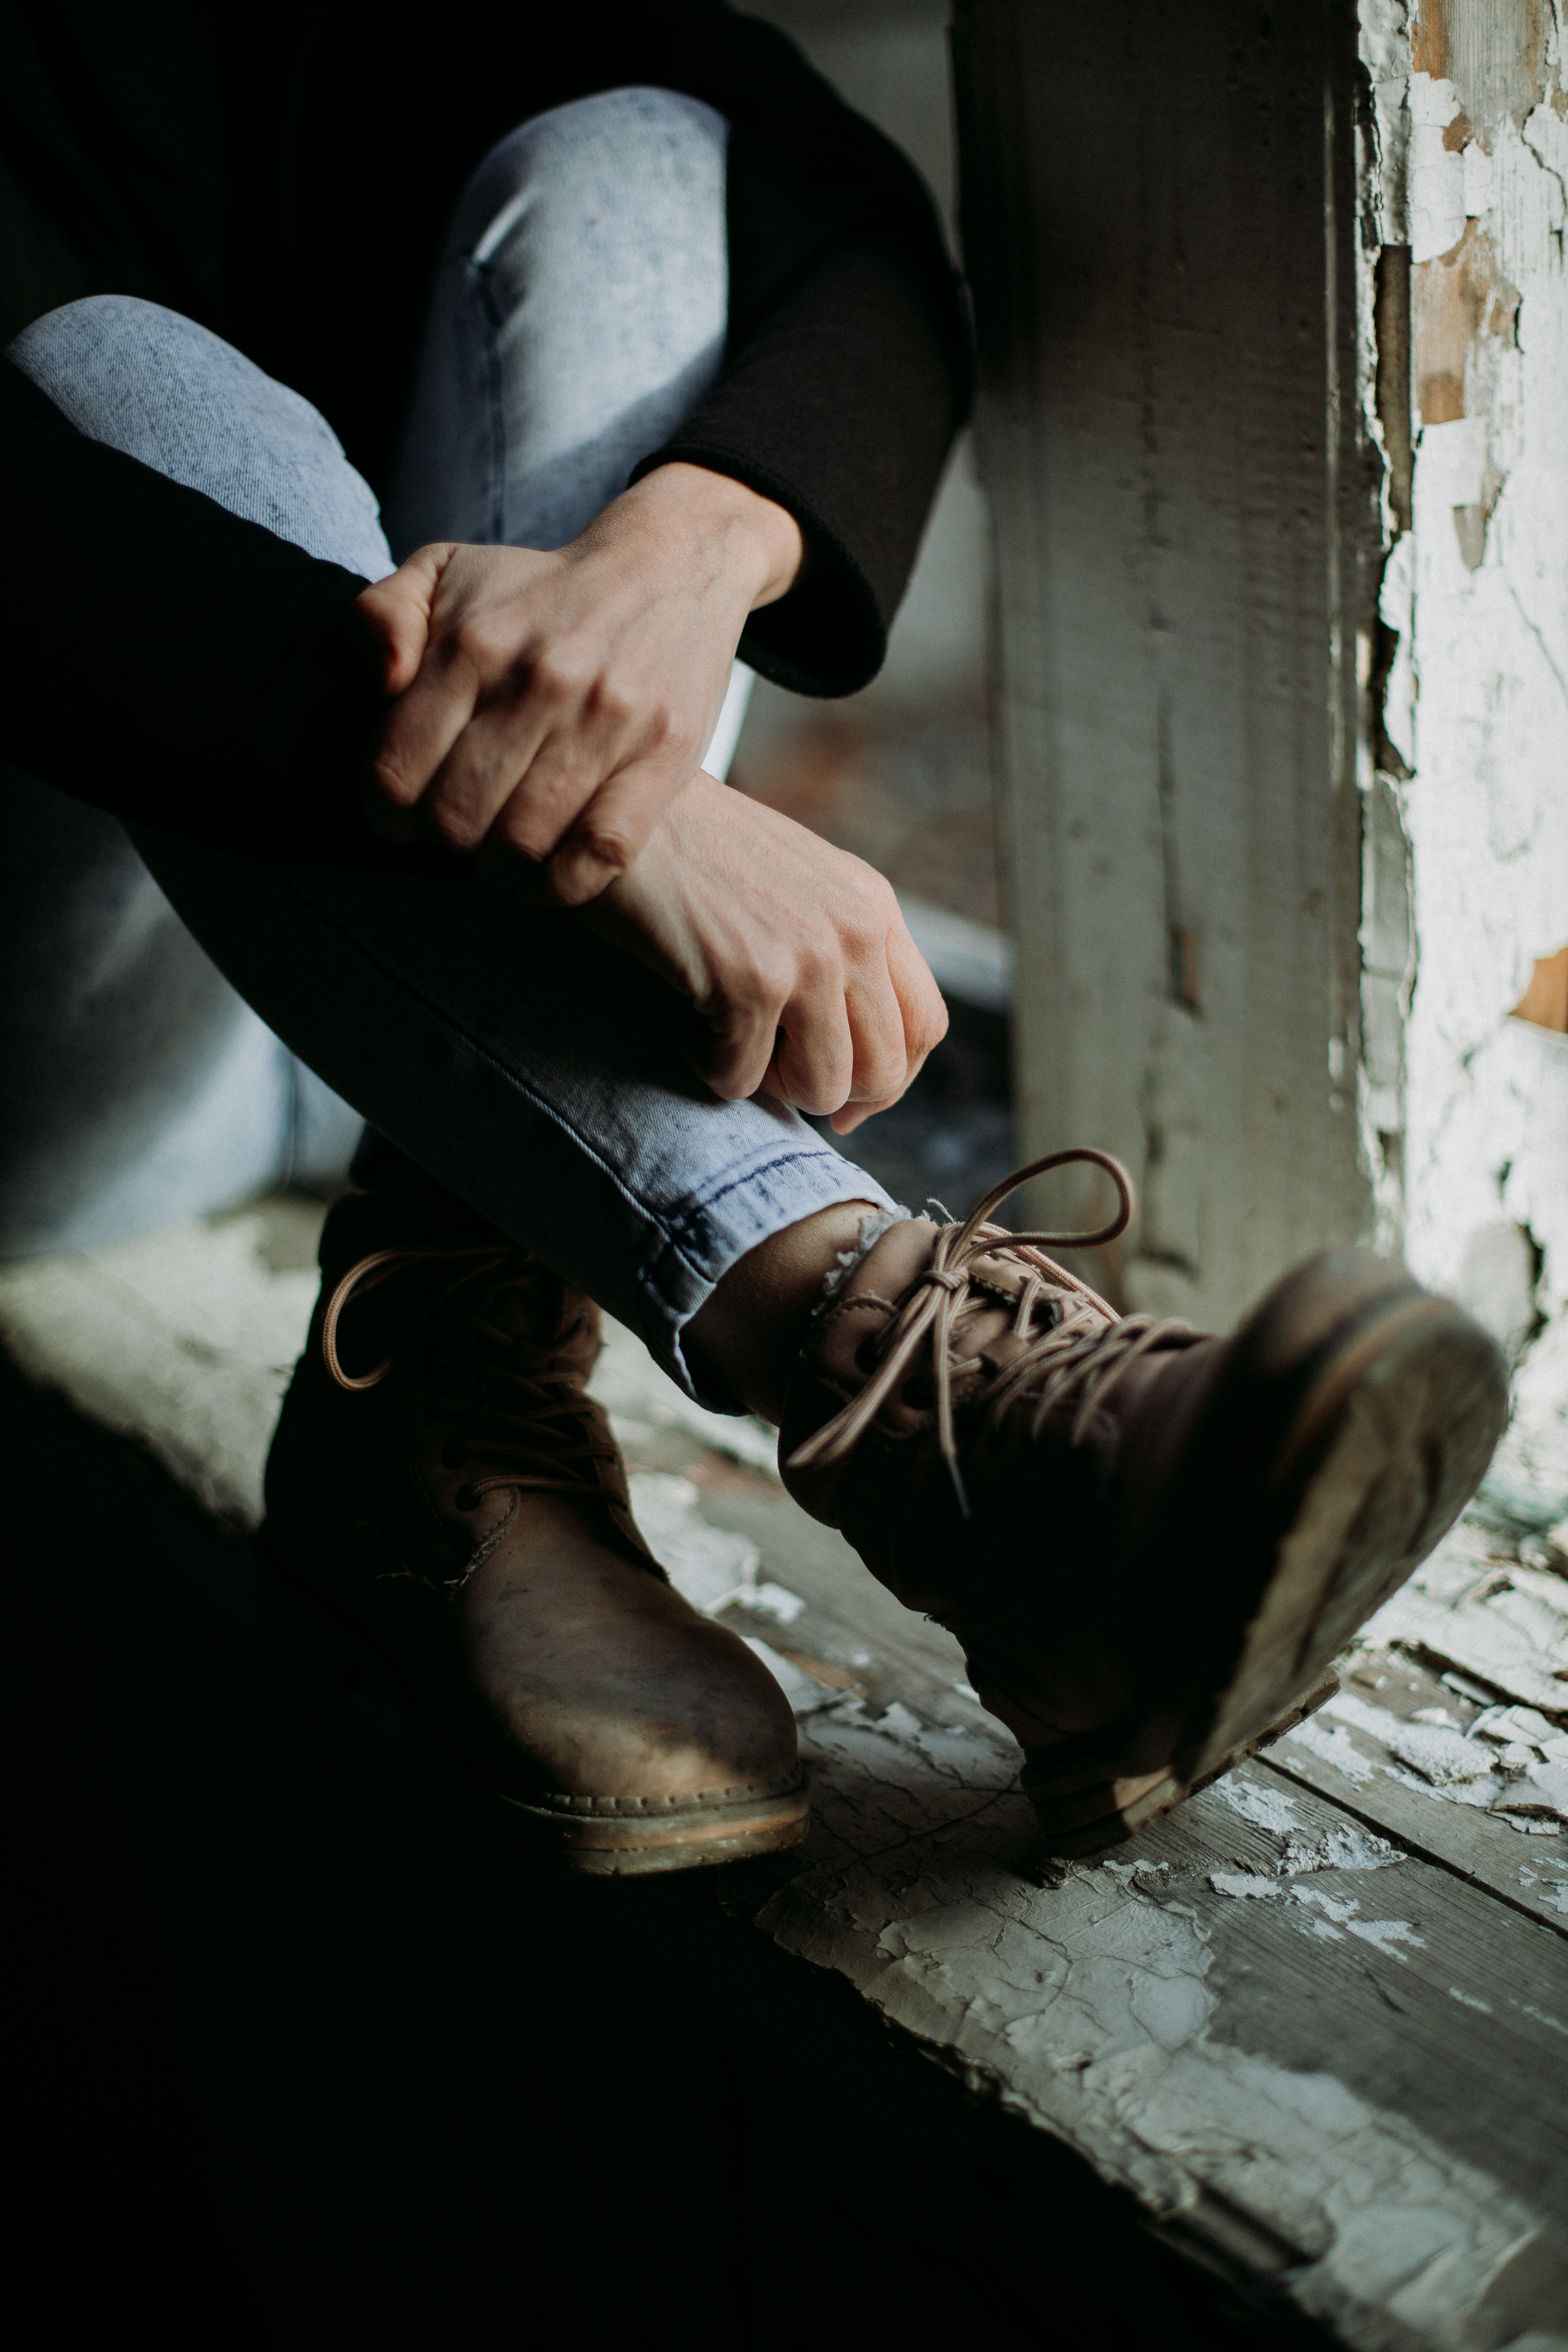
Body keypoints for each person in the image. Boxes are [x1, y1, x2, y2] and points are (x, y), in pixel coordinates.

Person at [1, 2, 1507, 1875]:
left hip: (425, 1006)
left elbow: (843, 211)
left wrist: (688, 554)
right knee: (113, 377)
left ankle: (453, 1338)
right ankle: (912, 1386)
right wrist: (636, 826)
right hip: (80, 1050)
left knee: (634, 157)